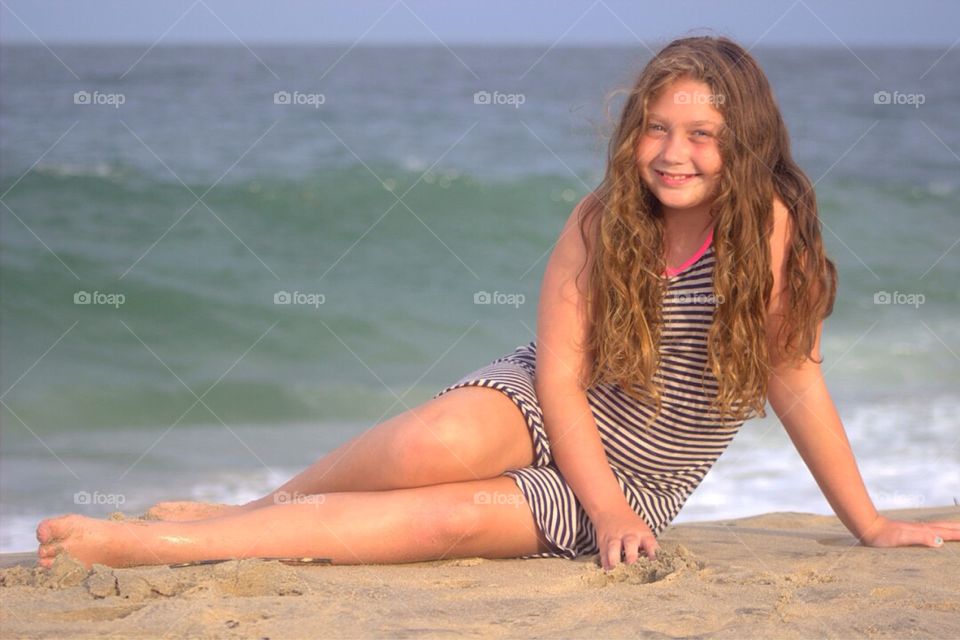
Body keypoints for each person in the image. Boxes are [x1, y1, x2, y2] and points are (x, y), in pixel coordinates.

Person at [36, 36, 958, 571]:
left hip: (641, 480)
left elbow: (794, 378)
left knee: (450, 520)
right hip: (548, 403)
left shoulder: (770, 235)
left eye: (704, 135)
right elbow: (558, 373)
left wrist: (871, 524)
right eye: (656, 127)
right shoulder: (604, 222)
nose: (673, 153)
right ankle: (247, 512)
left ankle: (177, 547)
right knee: (433, 444)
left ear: (746, 144)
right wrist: (594, 504)